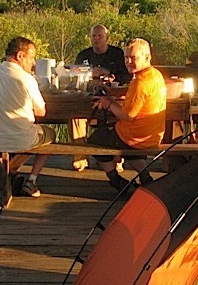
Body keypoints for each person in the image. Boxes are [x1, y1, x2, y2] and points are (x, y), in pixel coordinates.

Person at [0, 37, 56, 202]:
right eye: (31, 58)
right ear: (20, 56)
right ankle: (31, 180)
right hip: (24, 139)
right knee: (51, 137)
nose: (33, 63)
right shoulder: (26, 79)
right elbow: (41, 112)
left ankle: (8, 169)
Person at [88, 38, 166, 192]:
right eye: (126, 57)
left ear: (147, 57)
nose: (128, 62)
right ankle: (146, 179)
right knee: (115, 136)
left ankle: (116, 180)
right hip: (152, 135)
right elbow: (135, 93)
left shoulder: (141, 82)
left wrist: (108, 102)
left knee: (95, 140)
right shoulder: (154, 75)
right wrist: (114, 92)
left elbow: (127, 115)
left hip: (135, 137)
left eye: (133, 58)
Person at [71, 24, 131, 172]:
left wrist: (110, 76)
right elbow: (74, 73)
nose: (96, 39)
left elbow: (127, 76)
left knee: (116, 115)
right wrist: (90, 73)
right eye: (94, 36)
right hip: (87, 95)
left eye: (100, 36)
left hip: (113, 95)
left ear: (107, 38)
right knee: (75, 116)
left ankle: (115, 158)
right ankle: (80, 155)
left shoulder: (117, 54)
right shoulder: (83, 55)